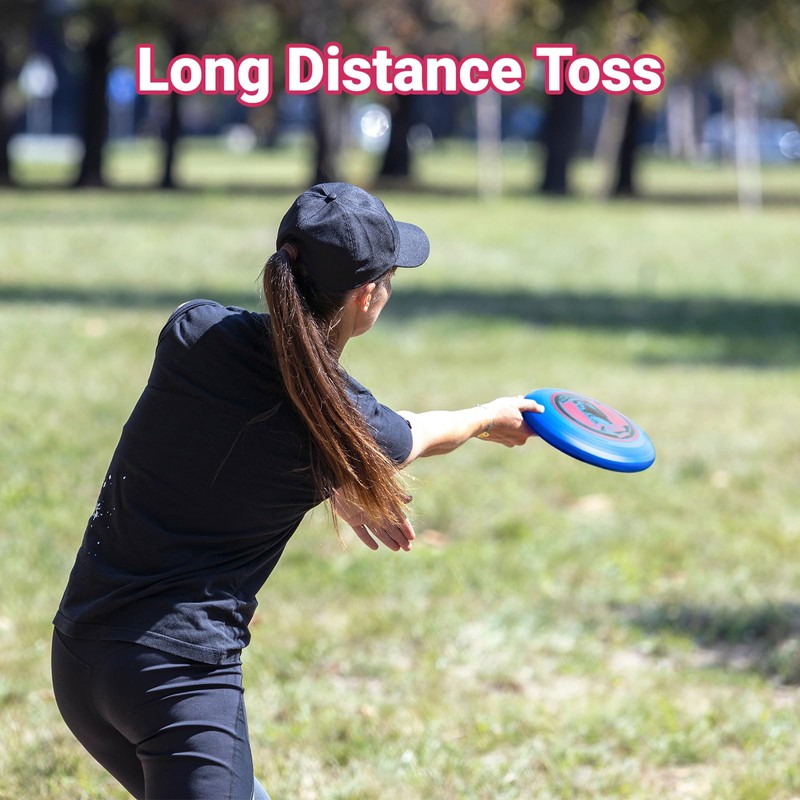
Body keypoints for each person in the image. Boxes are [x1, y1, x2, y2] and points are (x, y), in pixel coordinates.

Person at [51, 182, 543, 800]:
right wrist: (488, 416)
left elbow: (227, 440)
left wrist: (334, 476)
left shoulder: (193, 331)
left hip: (80, 654)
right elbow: (418, 433)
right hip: (176, 682)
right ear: (366, 296)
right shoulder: (344, 419)